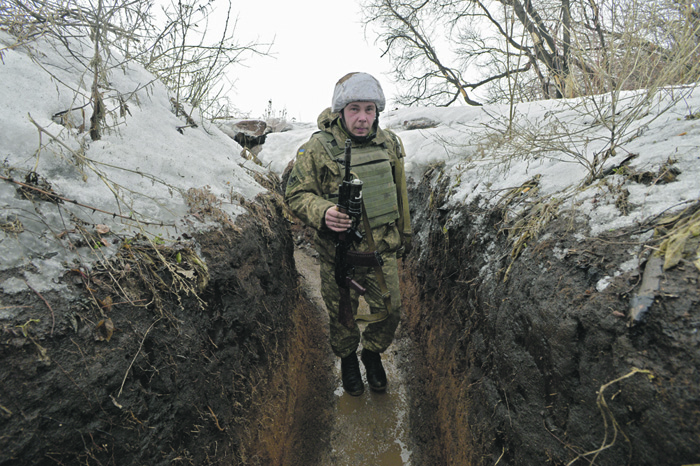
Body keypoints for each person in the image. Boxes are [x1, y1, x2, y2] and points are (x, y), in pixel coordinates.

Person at [284, 72, 412, 396]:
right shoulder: (317, 148)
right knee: (342, 314)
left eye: (369, 109)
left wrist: (404, 237)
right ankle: (348, 360)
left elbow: (399, 193)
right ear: (341, 110)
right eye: (355, 108)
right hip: (338, 253)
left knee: (392, 310)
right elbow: (296, 194)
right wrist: (324, 212)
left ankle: (370, 353)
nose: (362, 118)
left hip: (381, 251)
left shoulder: (390, 143)